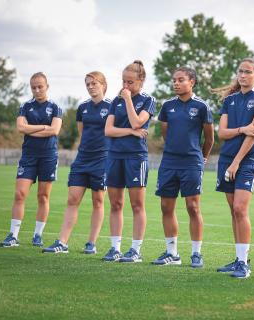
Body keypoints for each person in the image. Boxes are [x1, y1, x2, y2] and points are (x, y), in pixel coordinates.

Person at [214, 58, 254, 278]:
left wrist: (237, 161)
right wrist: (241, 129)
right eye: (240, 71)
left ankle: (244, 266)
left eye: (248, 72)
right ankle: (240, 259)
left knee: (240, 208)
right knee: (233, 211)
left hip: (246, 161)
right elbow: (222, 132)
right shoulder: (230, 100)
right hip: (226, 160)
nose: (243, 75)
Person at [42, 71, 110, 254]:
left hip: (102, 160)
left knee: (98, 201)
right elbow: (82, 132)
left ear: (103, 84)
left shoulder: (112, 107)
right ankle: (62, 242)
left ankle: (91, 243)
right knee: (72, 199)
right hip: (82, 159)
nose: (90, 87)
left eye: (94, 83)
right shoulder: (83, 108)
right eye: (87, 84)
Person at [153, 67, 214, 268]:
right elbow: (165, 132)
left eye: (181, 80)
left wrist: (202, 157)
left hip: (192, 162)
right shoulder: (168, 106)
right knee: (165, 207)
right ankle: (172, 253)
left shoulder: (202, 106)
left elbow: (209, 138)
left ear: (192, 82)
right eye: (174, 80)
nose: (176, 83)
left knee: (193, 207)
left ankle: (196, 253)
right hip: (169, 161)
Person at [0, 72, 63, 247]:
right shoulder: (25, 106)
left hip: (48, 156)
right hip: (28, 156)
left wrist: (31, 129)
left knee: (43, 196)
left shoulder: (56, 107)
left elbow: (54, 131)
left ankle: (37, 235)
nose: (37, 90)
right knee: (20, 194)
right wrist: (44, 126)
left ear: (47, 86)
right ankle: (13, 235)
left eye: (40, 86)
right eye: (33, 87)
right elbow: (20, 128)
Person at [102, 61, 156, 262]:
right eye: (124, 81)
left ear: (141, 81)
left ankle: (135, 250)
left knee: (136, 205)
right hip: (114, 155)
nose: (126, 86)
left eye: (130, 82)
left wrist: (127, 101)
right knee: (115, 204)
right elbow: (108, 130)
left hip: (135, 157)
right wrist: (131, 132)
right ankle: (115, 248)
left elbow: (137, 121)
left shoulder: (148, 100)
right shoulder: (115, 101)